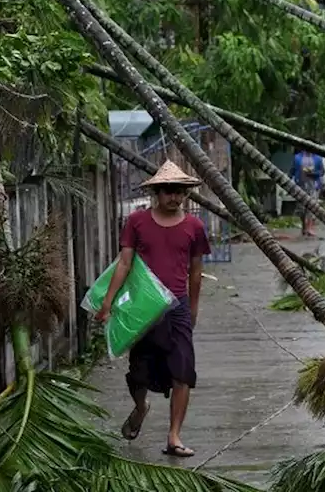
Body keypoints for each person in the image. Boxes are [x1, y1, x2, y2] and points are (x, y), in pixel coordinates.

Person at [95, 160, 209, 458]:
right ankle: (140, 406)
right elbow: (124, 263)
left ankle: (174, 436)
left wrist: (193, 309)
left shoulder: (194, 227)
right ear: (157, 192)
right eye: (169, 191)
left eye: (180, 192)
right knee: (139, 373)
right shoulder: (136, 222)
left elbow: (195, 271)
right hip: (143, 310)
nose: (175, 197)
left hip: (178, 308)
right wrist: (107, 302)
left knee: (183, 372)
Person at [290, 149, 324, 236]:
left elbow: (322, 171)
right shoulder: (297, 158)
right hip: (300, 186)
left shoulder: (318, 158)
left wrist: (313, 173)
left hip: (313, 186)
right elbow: (292, 171)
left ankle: (309, 228)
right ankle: (304, 226)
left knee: (311, 207)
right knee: (301, 208)